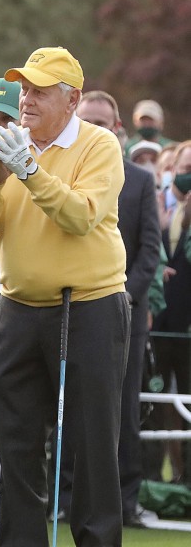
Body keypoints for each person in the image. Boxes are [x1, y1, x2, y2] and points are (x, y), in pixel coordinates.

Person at [0, 46, 129, 547]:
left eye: (38, 91)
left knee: (92, 446)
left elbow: (79, 216)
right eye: (23, 89)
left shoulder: (99, 145)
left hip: (90, 306)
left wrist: (31, 173)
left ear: (72, 98)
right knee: (15, 446)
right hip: (15, 311)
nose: (25, 99)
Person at [71, 90, 161, 527]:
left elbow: (149, 249)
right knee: (71, 409)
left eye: (103, 123)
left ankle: (126, 502)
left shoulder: (141, 181)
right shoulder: (63, 173)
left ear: (118, 128)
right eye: (87, 121)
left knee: (122, 411)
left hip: (123, 312)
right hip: (71, 309)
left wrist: (124, 295)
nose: (95, 129)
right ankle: (68, 498)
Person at [154, 140, 191, 485]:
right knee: (152, 406)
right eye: (184, 170)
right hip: (157, 326)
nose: (187, 177)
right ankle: (152, 484)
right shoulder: (158, 206)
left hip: (187, 328)